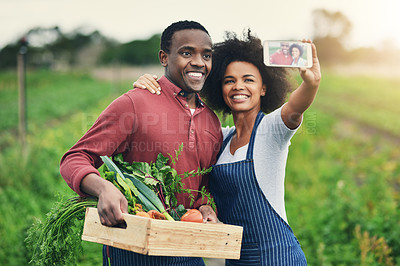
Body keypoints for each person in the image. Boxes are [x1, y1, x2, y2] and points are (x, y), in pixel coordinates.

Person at [133, 30, 321, 265]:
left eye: (248, 80)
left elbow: (295, 108)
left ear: (264, 88)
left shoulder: (272, 129)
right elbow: (173, 125)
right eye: (229, 81)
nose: (238, 86)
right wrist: (152, 89)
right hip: (235, 258)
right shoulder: (218, 138)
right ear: (220, 90)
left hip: (278, 256)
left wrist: (311, 84)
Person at [60, 20, 223, 266]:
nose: (199, 62)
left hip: (188, 252)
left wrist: (206, 208)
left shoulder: (211, 121)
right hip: (133, 250)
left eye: (207, 55)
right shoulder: (135, 103)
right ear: (164, 58)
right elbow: (75, 158)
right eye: (186, 53)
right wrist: (104, 188)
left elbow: (203, 188)